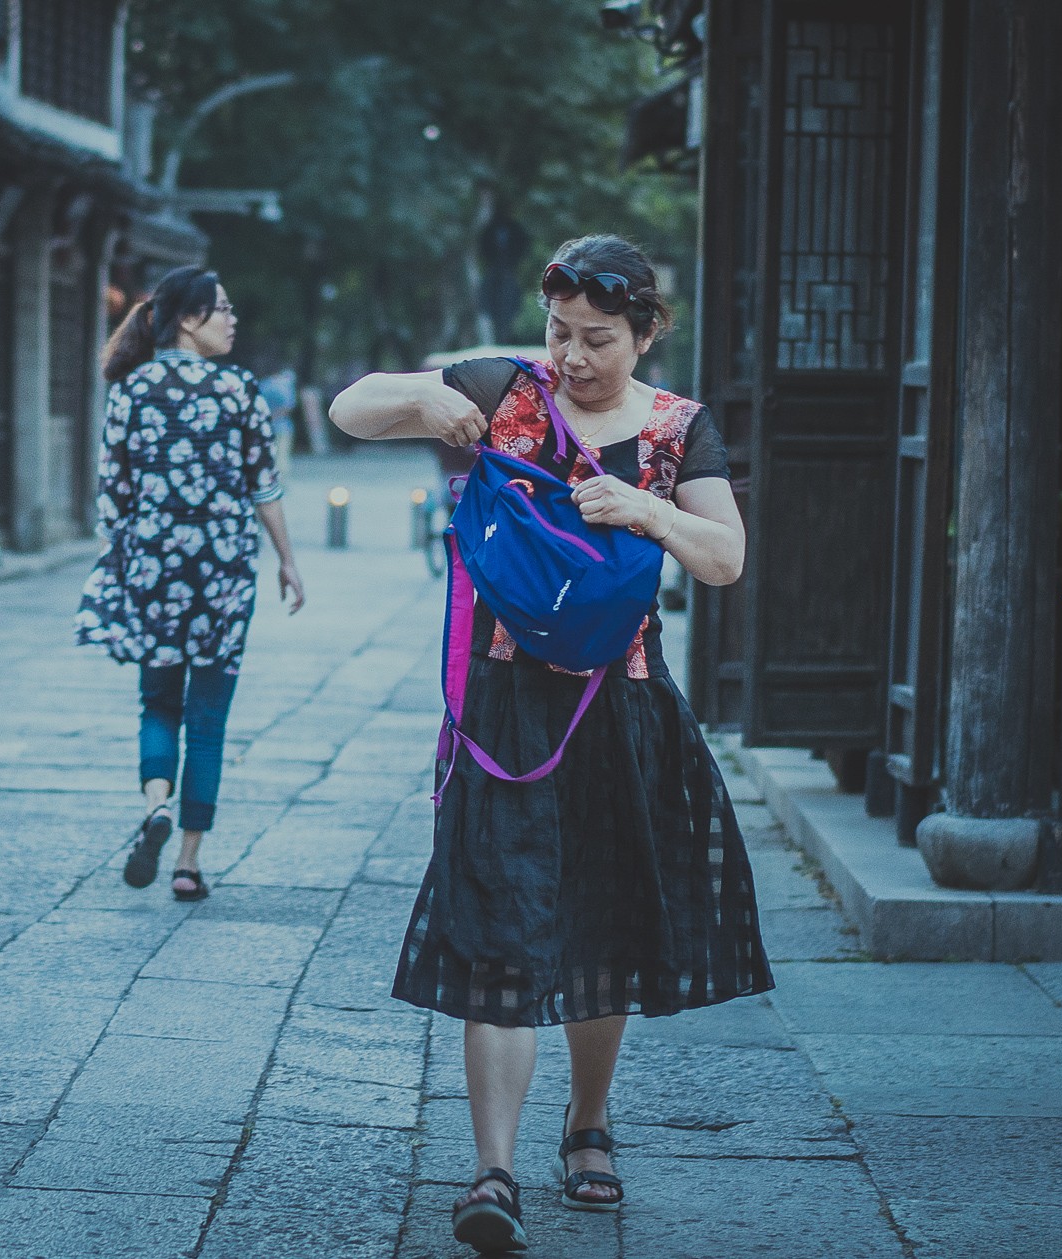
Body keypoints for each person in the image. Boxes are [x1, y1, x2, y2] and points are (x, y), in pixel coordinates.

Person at [329, 234, 772, 1253]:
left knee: (602, 922)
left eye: (597, 338)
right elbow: (350, 410)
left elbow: (725, 558)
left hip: (623, 710)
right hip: (505, 710)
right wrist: (424, 395)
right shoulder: (508, 389)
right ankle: (492, 1168)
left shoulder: (677, 428)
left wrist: (647, 509)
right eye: (558, 332)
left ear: (646, 333)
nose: (571, 356)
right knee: (497, 924)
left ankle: (587, 1122)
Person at [75, 266, 305, 903]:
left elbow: (113, 495)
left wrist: (121, 558)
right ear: (188, 319)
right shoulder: (239, 389)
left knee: (157, 702)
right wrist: (287, 560)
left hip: (154, 566)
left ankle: (156, 804)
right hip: (223, 570)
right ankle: (188, 863)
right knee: (207, 718)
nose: (232, 320)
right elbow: (264, 486)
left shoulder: (131, 390)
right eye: (221, 309)